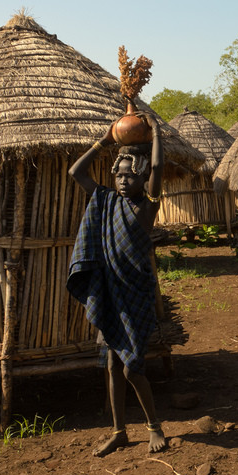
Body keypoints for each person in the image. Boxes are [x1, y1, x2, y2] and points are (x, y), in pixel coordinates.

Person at [67, 113, 167, 456]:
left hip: (135, 293)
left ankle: (154, 426)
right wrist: (104, 141)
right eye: (119, 175)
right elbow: (76, 173)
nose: (123, 181)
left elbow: (157, 170)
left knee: (132, 367)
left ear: (141, 178)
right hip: (110, 293)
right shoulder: (107, 201)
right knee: (111, 365)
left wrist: (157, 136)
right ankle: (119, 430)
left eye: (130, 175)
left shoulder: (146, 208)